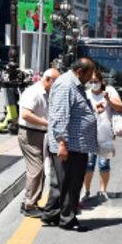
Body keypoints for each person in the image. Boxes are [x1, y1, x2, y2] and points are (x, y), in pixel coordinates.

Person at [40, 58, 97, 231]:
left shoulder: (74, 85)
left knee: (61, 183)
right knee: (71, 183)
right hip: (70, 145)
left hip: (74, 145)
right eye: (89, 73)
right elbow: (59, 116)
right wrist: (62, 143)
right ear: (81, 72)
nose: (91, 77)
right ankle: (68, 219)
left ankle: (52, 214)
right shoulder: (66, 85)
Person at [18, 68, 60, 218]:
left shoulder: (48, 93)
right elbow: (25, 114)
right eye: (56, 82)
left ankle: (31, 202)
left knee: (40, 169)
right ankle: (29, 205)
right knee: (36, 170)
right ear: (48, 79)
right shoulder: (33, 92)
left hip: (40, 134)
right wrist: (45, 123)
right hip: (29, 134)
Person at [81, 69, 122, 203]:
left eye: (96, 81)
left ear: (102, 82)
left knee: (104, 164)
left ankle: (103, 190)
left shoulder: (109, 92)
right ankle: (86, 191)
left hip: (106, 135)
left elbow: (120, 107)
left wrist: (107, 100)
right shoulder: (85, 94)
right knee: (88, 164)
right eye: (91, 82)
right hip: (88, 135)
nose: (94, 84)